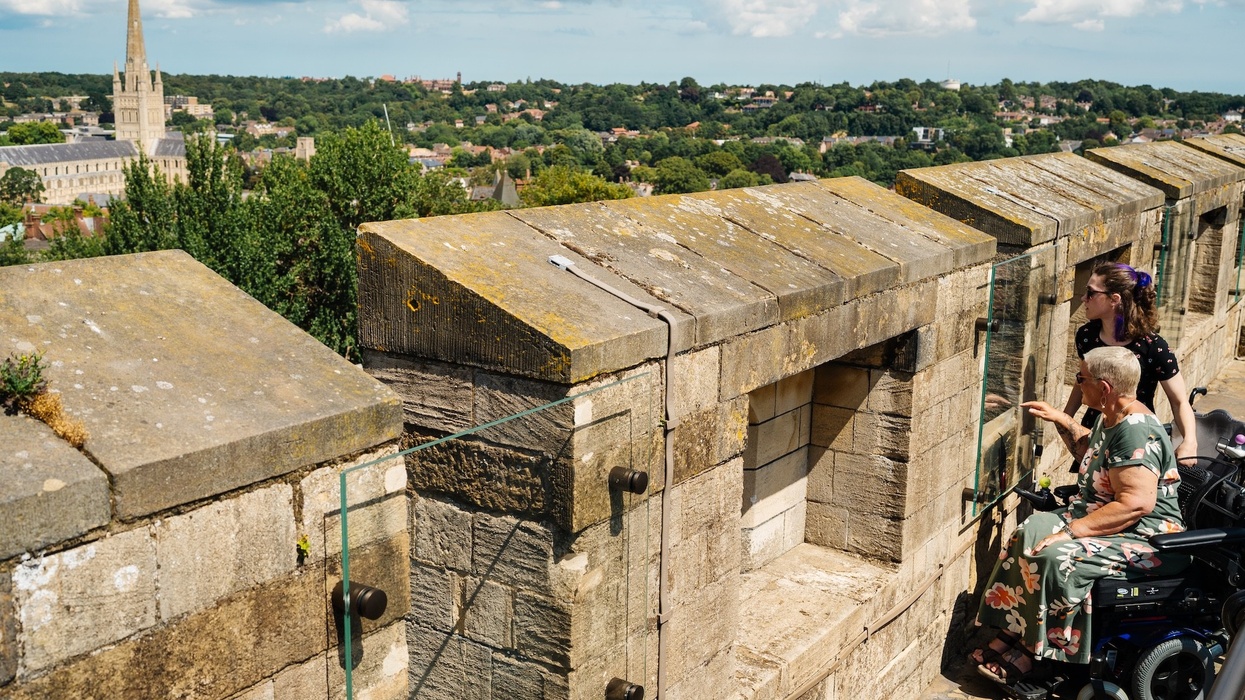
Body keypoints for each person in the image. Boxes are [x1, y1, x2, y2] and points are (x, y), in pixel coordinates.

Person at [970, 346, 1189, 685]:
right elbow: (1091, 452)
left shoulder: (1136, 430)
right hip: (1105, 516)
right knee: (1029, 532)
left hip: (1145, 536)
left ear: (1104, 388)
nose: (1077, 383)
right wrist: (1061, 419)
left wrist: (1072, 531)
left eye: (1081, 378)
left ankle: (1036, 650)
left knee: (1058, 556)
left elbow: (1136, 505)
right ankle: (1016, 629)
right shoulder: (1111, 414)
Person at [1063, 262, 1197, 466]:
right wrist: (1066, 418)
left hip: (1135, 434)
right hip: (1095, 431)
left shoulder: (1154, 347)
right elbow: (1083, 379)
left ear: (1114, 299)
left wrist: (1190, 441)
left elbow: (1179, 401)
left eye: (1091, 292)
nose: (1083, 298)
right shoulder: (1087, 336)